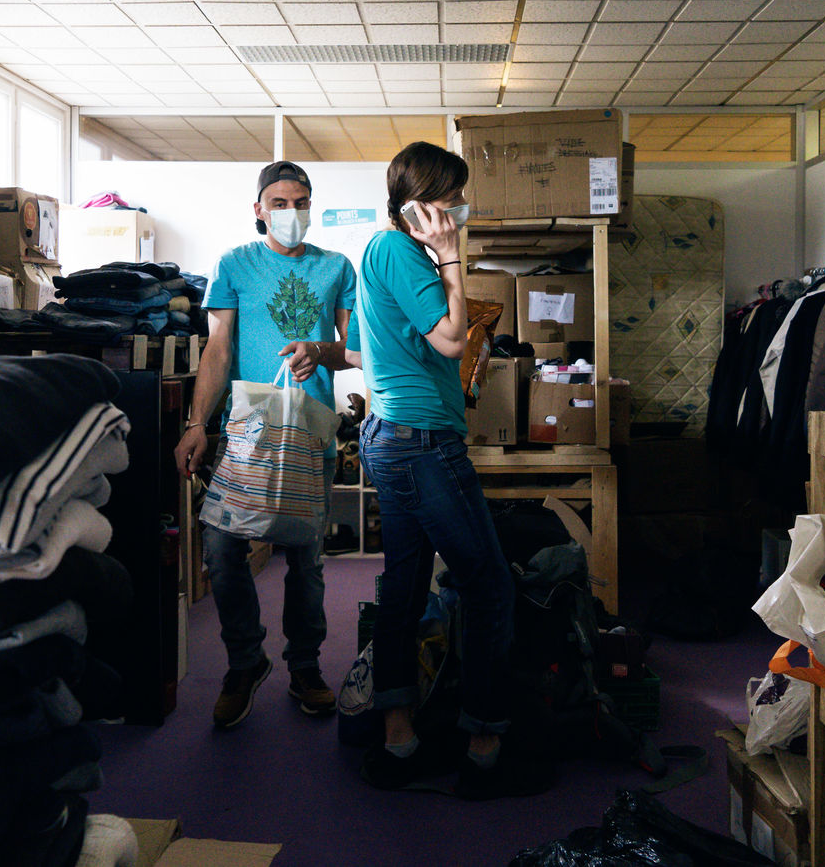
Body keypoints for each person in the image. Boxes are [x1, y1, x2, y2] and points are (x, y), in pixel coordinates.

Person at [344, 141, 552, 800]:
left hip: (399, 436)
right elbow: (451, 338)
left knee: (404, 589)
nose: (460, 208)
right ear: (418, 206)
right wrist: (453, 258)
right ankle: (484, 749)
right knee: (488, 587)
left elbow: (371, 350)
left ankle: (399, 741)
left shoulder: (385, 254)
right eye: (451, 198)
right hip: (421, 444)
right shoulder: (400, 251)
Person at [175, 160, 356, 729]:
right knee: (222, 550)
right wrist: (197, 422)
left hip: (309, 434)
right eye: (279, 203)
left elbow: (355, 350)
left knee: (305, 560)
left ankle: (304, 666)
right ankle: (244, 661)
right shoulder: (234, 264)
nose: (290, 212)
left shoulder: (336, 267)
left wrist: (319, 351)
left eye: (300, 202)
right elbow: (218, 348)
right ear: (259, 209)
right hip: (247, 433)